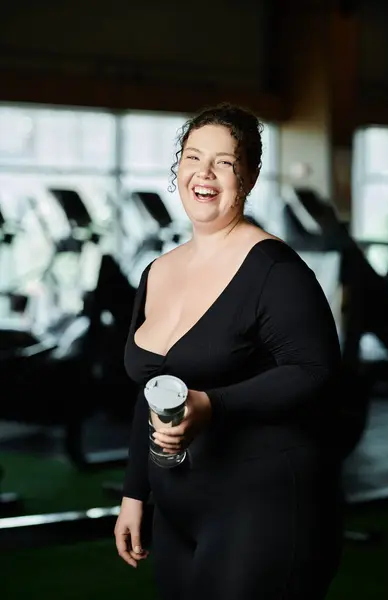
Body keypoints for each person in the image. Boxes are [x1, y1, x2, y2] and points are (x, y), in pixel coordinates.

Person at [114, 102, 344, 600]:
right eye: (193, 157)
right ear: (177, 167)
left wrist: (214, 404)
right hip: (179, 512)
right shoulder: (158, 270)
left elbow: (315, 370)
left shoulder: (275, 270)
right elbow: (152, 389)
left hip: (265, 506)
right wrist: (135, 494)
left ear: (251, 176)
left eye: (224, 162)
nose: (205, 173)